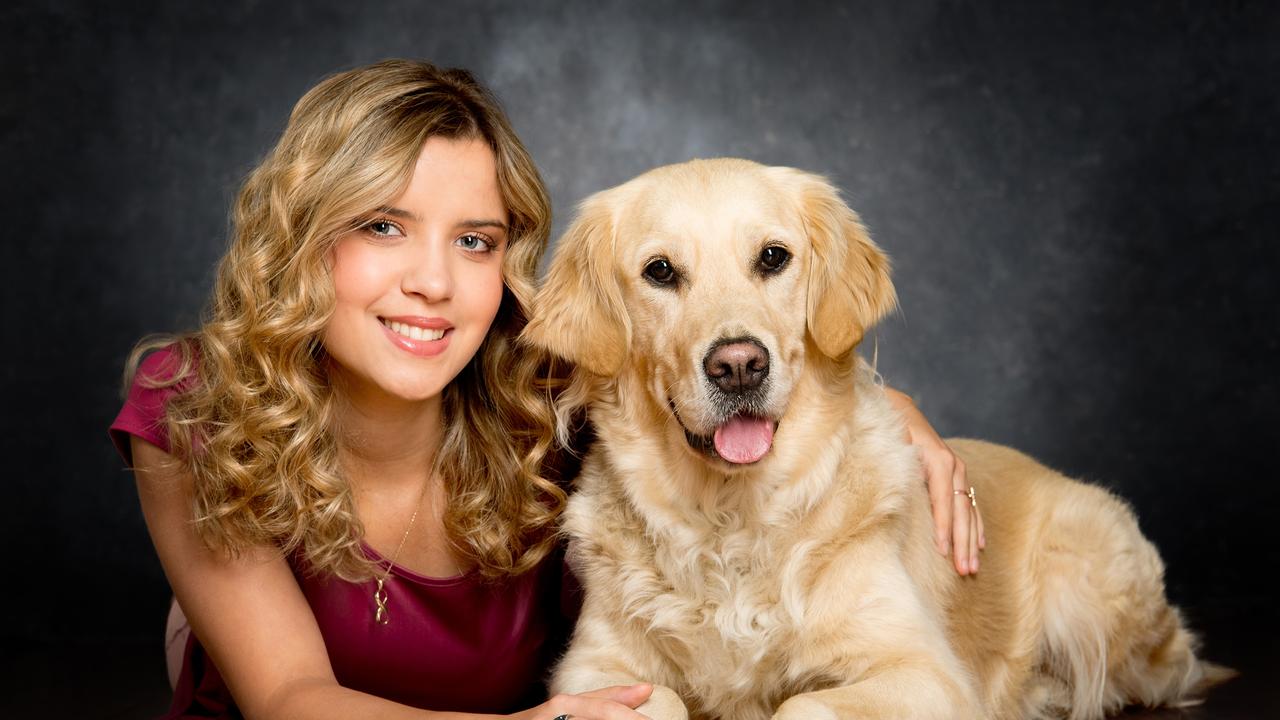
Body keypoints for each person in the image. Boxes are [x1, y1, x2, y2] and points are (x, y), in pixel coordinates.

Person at [111, 59, 983, 719]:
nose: (433, 281)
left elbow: (722, 372)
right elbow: (291, 699)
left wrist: (905, 422)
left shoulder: (542, 386)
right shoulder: (194, 409)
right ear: (301, 239)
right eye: (383, 226)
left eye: (475, 241)